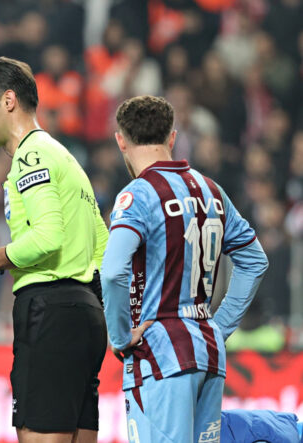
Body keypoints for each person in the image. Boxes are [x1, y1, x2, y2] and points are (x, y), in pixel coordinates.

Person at [100, 95, 268, 442]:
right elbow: (255, 260)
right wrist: (217, 328)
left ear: (121, 140)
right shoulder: (212, 191)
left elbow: (113, 272)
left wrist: (119, 337)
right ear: (171, 138)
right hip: (208, 353)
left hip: (160, 355)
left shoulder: (137, 195)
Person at [0, 56, 109, 443]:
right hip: (86, 314)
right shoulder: (66, 158)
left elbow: (48, 237)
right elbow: (103, 245)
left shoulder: (31, 156)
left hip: (49, 312)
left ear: (8, 100)